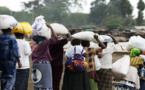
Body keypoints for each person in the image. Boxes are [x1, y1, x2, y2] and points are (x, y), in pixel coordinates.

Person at [31, 23, 57, 90]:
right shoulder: (44, 44)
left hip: (35, 65)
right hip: (44, 65)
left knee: (38, 83)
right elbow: (55, 37)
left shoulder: (32, 46)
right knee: (46, 83)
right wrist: (50, 27)